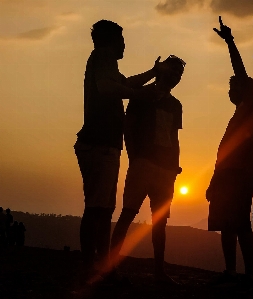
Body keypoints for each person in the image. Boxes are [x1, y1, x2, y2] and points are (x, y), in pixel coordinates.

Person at [74, 19, 164, 285]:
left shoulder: (104, 63)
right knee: (98, 209)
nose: (125, 45)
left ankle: (99, 265)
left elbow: (126, 84)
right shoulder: (102, 57)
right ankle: (97, 267)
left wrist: (151, 73)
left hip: (100, 144)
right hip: (99, 144)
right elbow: (111, 89)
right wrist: (139, 95)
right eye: (122, 40)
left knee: (100, 208)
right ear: (111, 42)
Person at [110, 55, 186, 285]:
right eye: (172, 72)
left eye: (179, 75)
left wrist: (175, 165)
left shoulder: (176, 105)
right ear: (162, 72)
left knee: (160, 222)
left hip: (166, 170)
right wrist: (135, 158)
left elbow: (174, 137)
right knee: (128, 214)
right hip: (143, 163)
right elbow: (128, 127)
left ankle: (159, 271)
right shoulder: (141, 96)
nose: (175, 78)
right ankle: (111, 267)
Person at [206, 17, 253, 287]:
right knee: (227, 225)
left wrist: (230, 42)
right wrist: (214, 180)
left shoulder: (251, 106)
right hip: (226, 175)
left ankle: (248, 274)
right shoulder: (238, 114)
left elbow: (240, 71)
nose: (230, 90)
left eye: (234, 86)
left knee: (240, 224)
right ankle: (231, 271)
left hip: (240, 174)